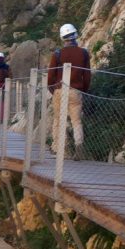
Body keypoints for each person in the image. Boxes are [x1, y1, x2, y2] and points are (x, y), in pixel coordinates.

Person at [47, 23, 91, 159]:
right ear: (75, 35)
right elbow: (87, 75)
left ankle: (60, 149)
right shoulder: (83, 53)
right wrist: (82, 89)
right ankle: (79, 145)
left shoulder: (57, 54)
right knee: (76, 121)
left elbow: (51, 75)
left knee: (59, 120)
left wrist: (52, 89)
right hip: (76, 91)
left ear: (62, 38)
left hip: (60, 90)